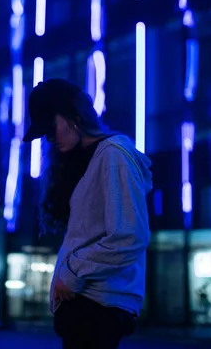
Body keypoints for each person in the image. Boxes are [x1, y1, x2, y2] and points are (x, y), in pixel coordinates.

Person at [23, 79, 153, 349]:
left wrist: (71, 273)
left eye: (51, 127)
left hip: (99, 307)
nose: (49, 138)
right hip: (90, 304)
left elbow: (130, 235)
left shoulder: (113, 154)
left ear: (74, 116)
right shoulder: (91, 158)